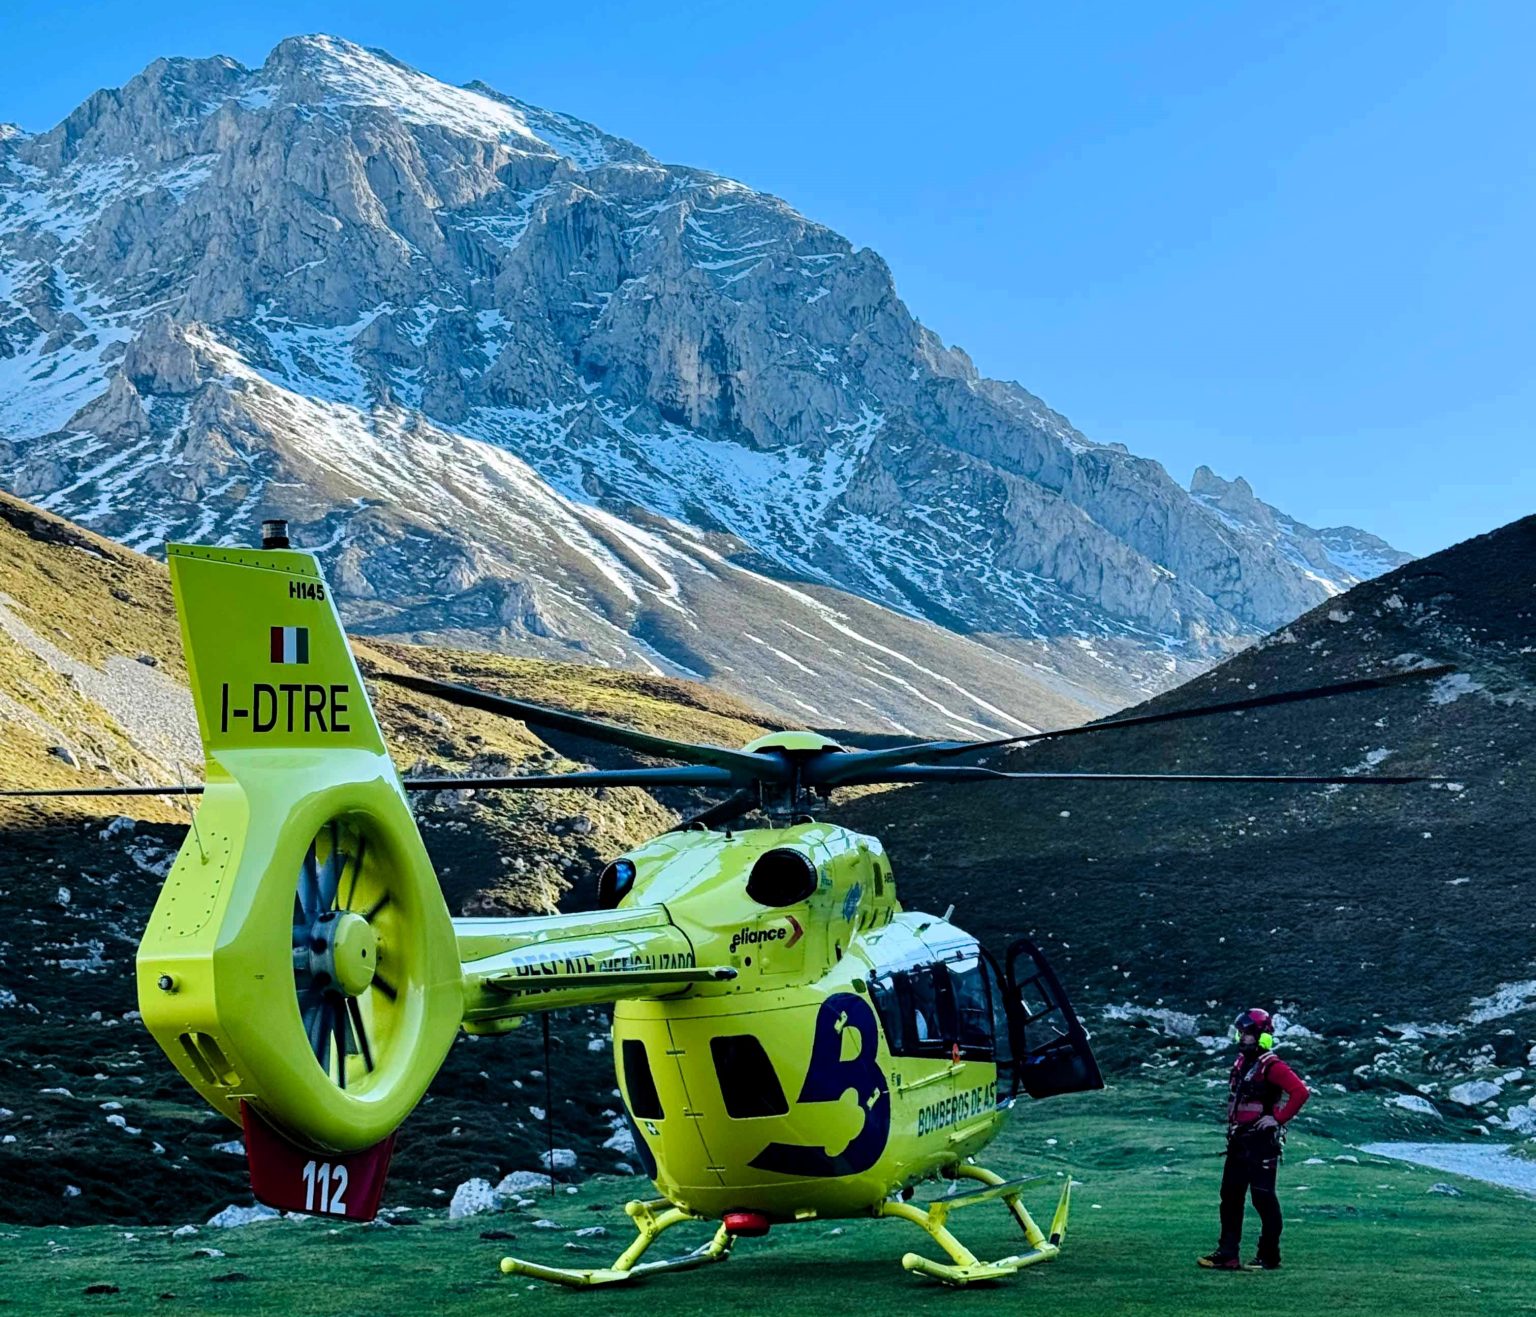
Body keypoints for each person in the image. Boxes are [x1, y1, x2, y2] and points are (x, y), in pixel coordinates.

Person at [1197, 1007, 1311, 1271]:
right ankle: (1228, 1254)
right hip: (1239, 1141)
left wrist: (1278, 1118)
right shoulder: (1242, 1063)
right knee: (1230, 1196)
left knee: (1263, 1198)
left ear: (1261, 1035)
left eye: (1247, 1033)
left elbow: (1300, 1092)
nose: (1242, 1037)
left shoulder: (1273, 1066)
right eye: (1240, 1032)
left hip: (1261, 1142)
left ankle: (1269, 1256)